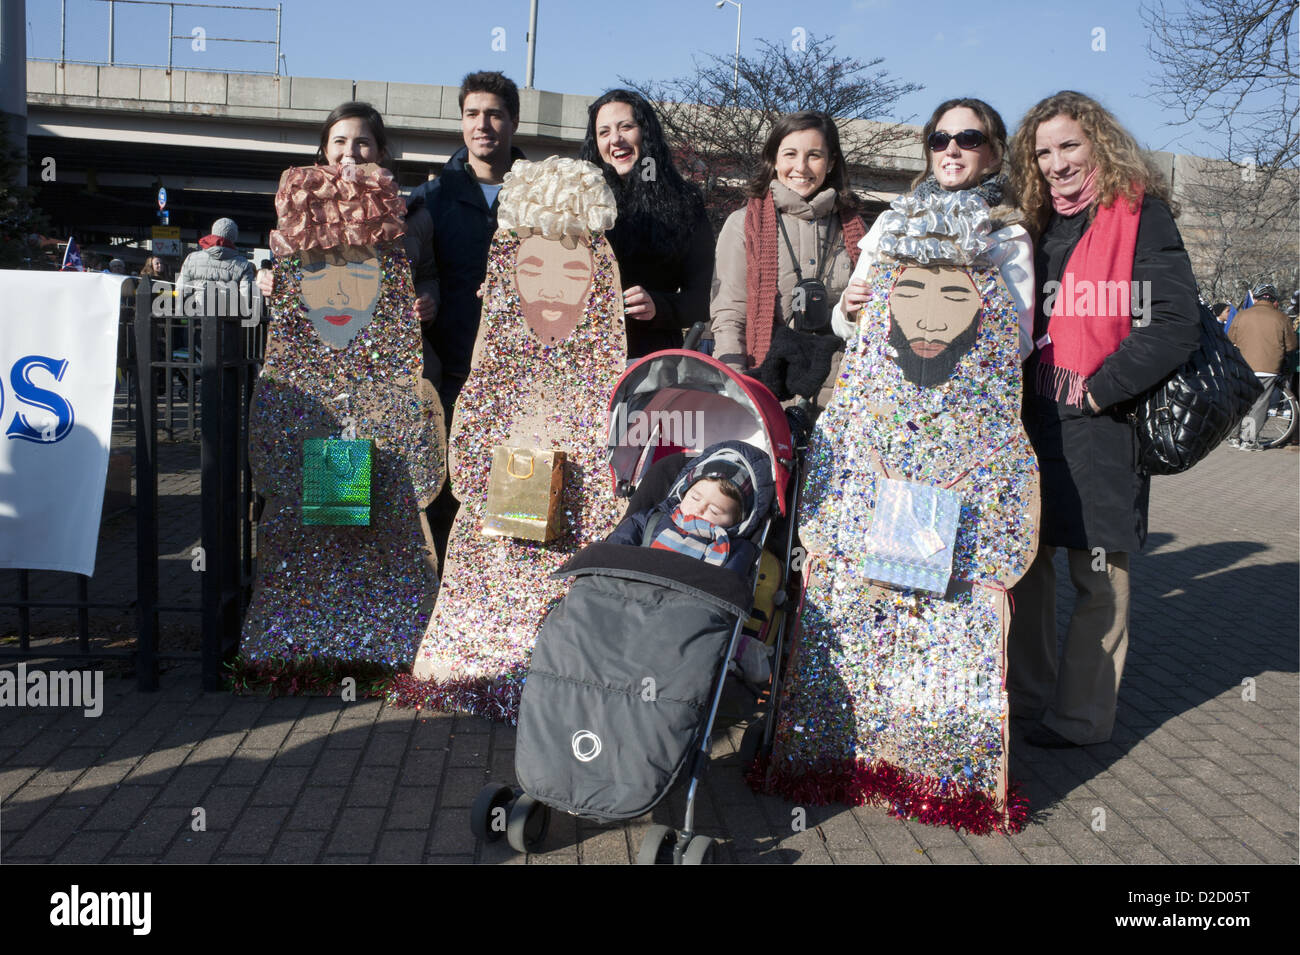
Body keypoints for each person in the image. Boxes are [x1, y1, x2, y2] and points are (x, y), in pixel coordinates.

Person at [1007, 90, 1201, 748]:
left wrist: (1098, 390)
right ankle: (1023, 700)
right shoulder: (1031, 222)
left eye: (1069, 146)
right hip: (1030, 420)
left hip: (1100, 424)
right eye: (1043, 151)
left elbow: (1174, 324)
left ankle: (1081, 718)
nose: (1057, 162)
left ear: (1099, 143)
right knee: (1024, 569)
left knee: (1097, 576)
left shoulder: (1139, 216)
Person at [832, 97, 1034, 363]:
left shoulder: (1009, 236)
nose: (951, 150)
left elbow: (1021, 342)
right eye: (939, 140)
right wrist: (848, 308)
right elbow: (843, 326)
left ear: (994, 154)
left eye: (969, 139)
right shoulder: (891, 222)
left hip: (965, 396)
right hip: (885, 392)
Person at [710, 111, 866, 408]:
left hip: (842, 392)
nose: (801, 167)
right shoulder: (743, 225)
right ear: (774, 159)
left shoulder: (857, 231)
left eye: (814, 156)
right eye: (790, 154)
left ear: (831, 162)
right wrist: (736, 385)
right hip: (767, 386)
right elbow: (730, 312)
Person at [405, 71, 525, 422]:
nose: (482, 124)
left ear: (514, 121)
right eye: (472, 114)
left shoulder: (541, 201)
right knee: (428, 477)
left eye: (494, 114)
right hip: (443, 378)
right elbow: (403, 277)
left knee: (511, 478)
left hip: (516, 380)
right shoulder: (429, 199)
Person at [577, 89, 713, 360]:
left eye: (626, 127)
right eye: (604, 132)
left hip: (651, 359)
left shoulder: (685, 203)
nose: (616, 139)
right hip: (583, 357)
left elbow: (701, 300)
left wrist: (659, 307)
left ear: (646, 133)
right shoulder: (574, 200)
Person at [1227, 284, 1298, 449]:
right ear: (1274, 300)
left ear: (1256, 299)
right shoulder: (1282, 318)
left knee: (1240, 400)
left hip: (1243, 365)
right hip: (1268, 366)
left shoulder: (1242, 315)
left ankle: (1233, 436)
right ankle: (1249, 440)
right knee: (1260, 403)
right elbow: (1291, 345)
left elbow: (1230, 338)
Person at [177, 217, 256, 318]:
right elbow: (245, 296)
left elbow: (181, 288)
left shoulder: (192, 258)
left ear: (213, 232)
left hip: (196, 316)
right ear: (234, 237)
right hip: (227, 318)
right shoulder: (243, 264)